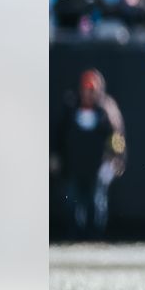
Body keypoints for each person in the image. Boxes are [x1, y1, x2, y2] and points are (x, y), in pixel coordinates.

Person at [52, 70, 126, 239]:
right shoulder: (70, 108)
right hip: (73, 165)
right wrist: (55, 156)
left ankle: (95, 236)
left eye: (92, 89)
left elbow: (116, 136)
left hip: (97, 166)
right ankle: (74, 235)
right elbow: (59, 134)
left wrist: (116, 159)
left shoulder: (106, 110)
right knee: (72, 201)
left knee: (97, 202)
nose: (89, 93)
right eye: (86, 89)